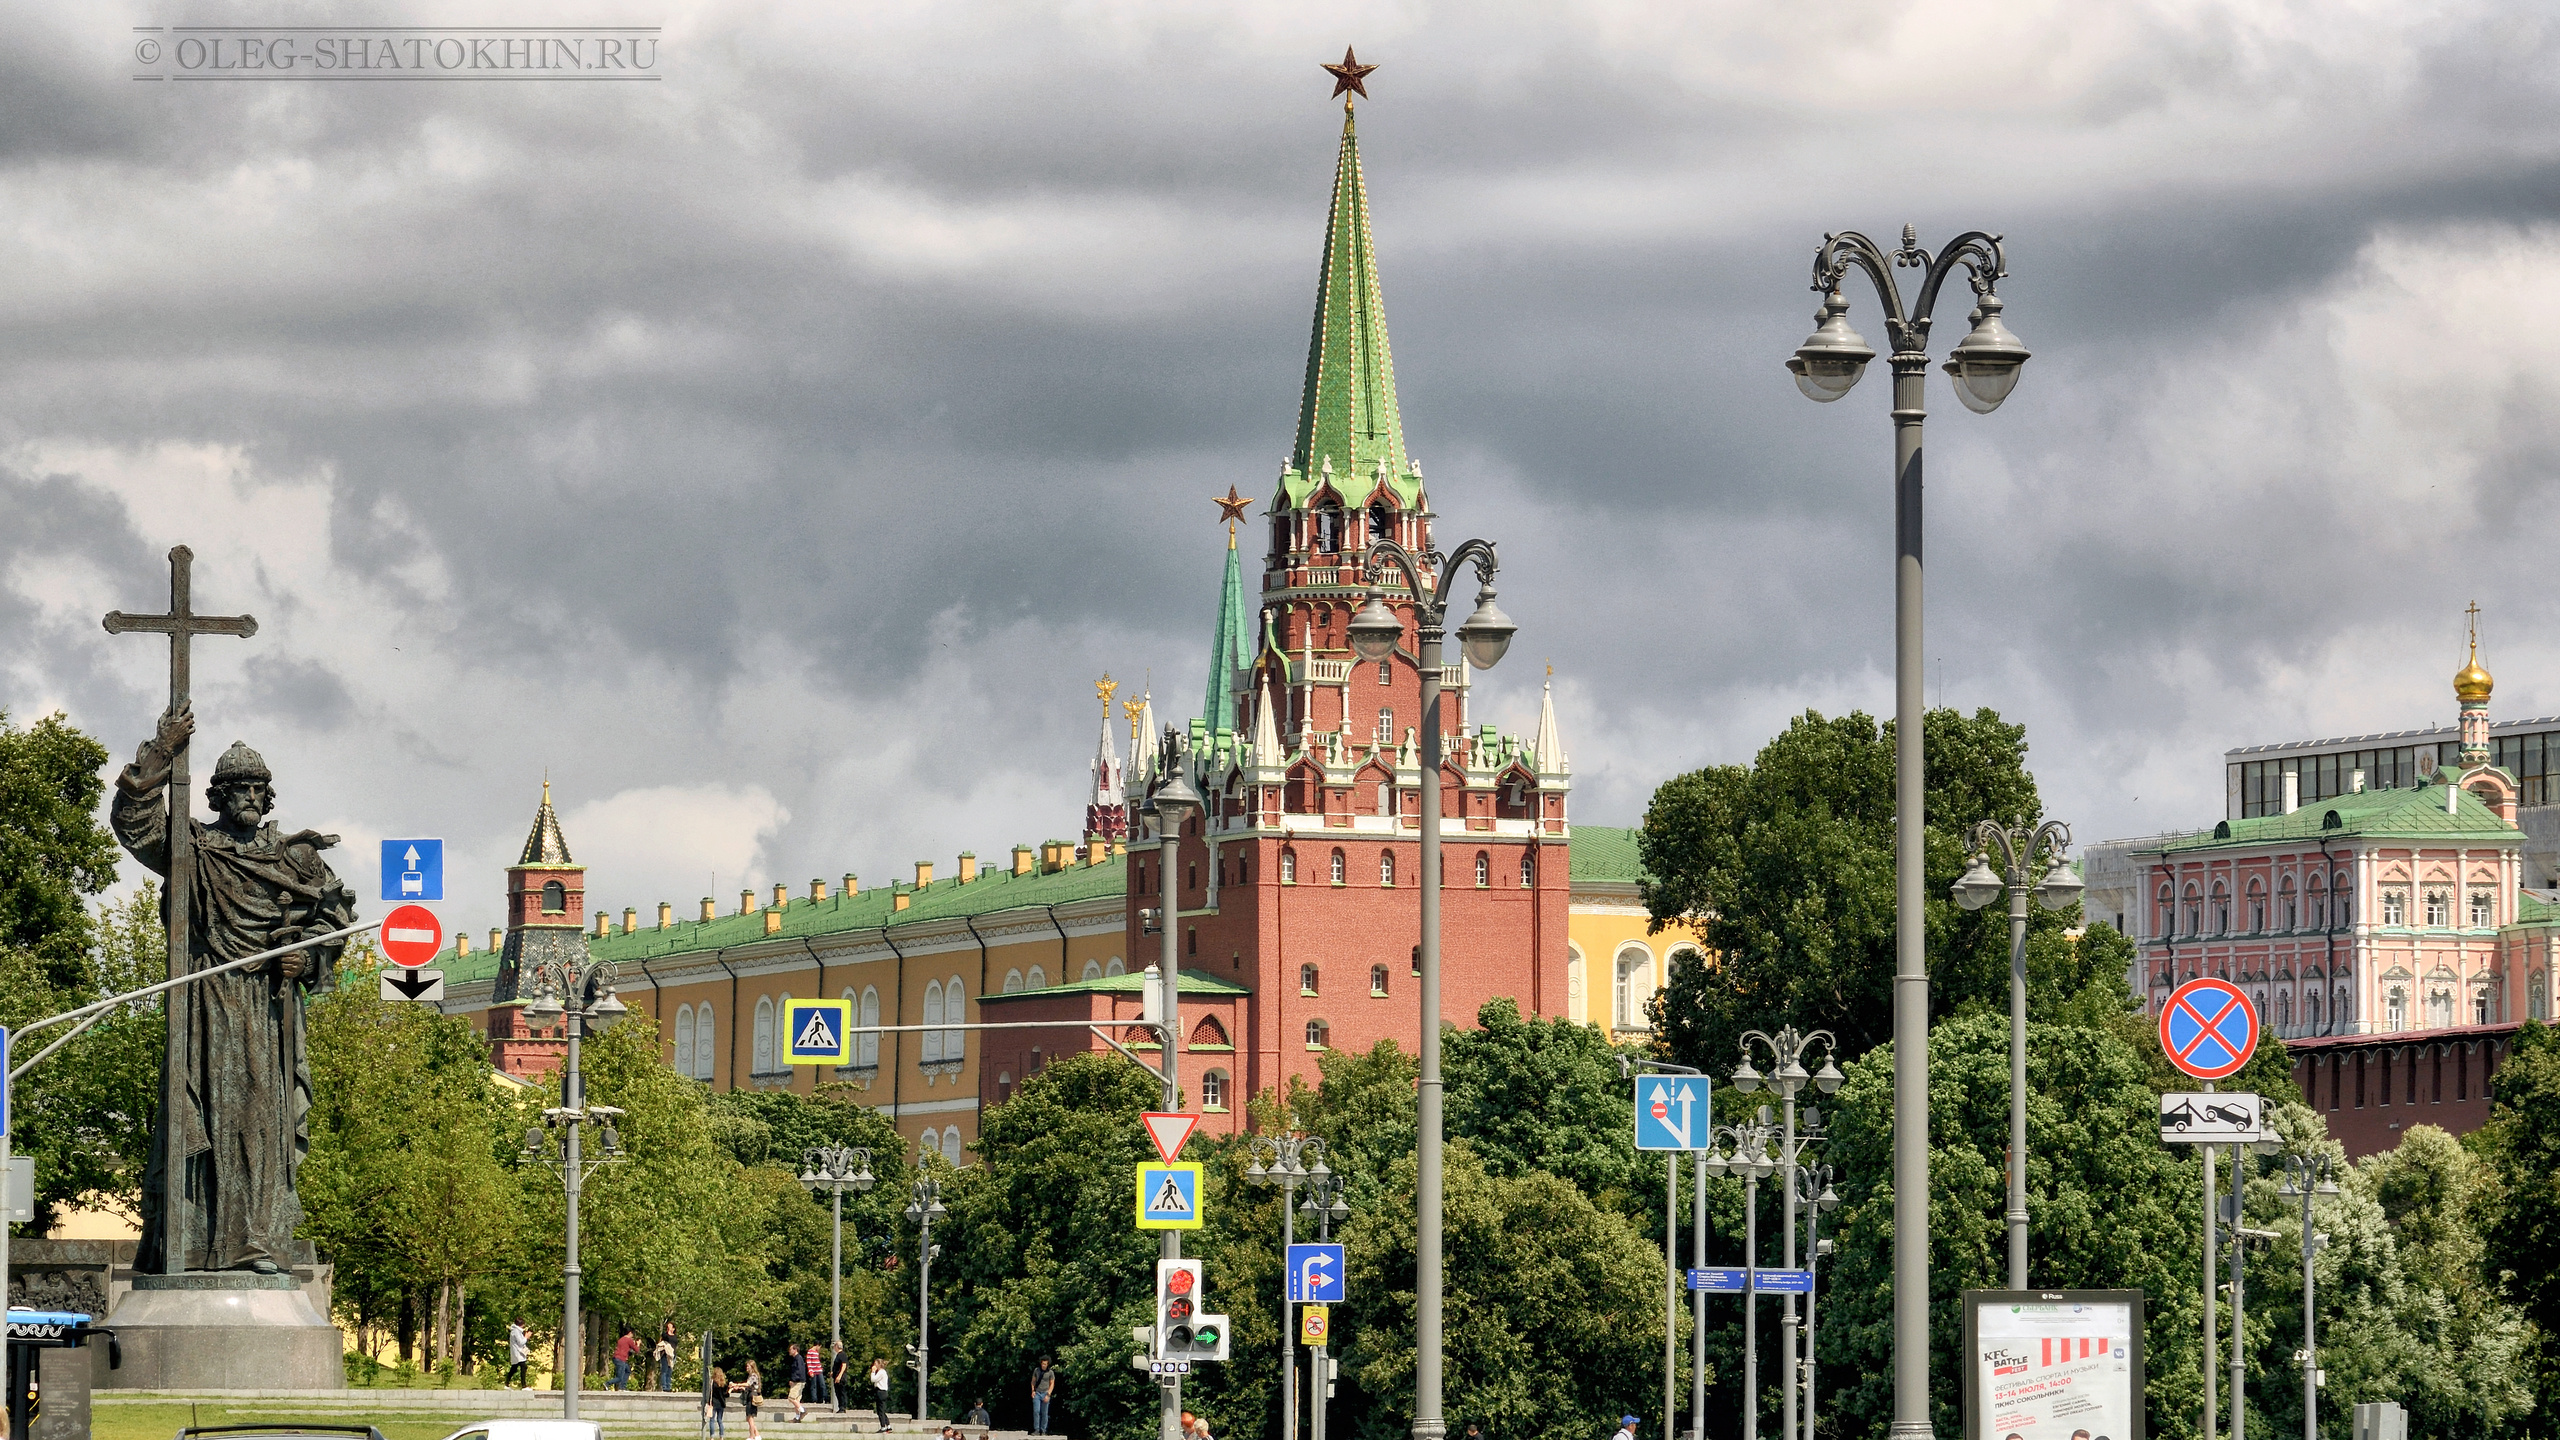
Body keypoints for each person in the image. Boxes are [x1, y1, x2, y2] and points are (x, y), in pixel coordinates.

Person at [1029, 1356, 1056, 1435]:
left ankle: (1043, 1430)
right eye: (1042, 1364)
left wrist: (1048, 1394)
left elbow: (1052, 1384)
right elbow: (1033, 1381)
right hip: (1037, 1392)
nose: (1043, 1365)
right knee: (1036, 1411)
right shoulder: (1036, 1370)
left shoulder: (1050, 1372)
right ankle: (1036, 1429)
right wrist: (1033, 1390)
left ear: (1048, 1364)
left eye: (1045, 1364)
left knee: (1044, 1413)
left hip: (1045, 1393)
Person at [740, 1360, 764, 1440]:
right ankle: (757, 1435)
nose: (746, 1368)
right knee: (749, 1418)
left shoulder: (753, 1375)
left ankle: (752, 1436)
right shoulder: (752, 1375)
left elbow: (748, 1384)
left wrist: (738, 1384)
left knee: (750, 1417)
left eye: (748, 1366)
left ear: (752, 1367)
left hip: (752, 1397)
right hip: (751, 1396)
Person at [505, 1318, 530, 1388]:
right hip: (518, 1353)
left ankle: (507, 1383)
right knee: (523, 1367)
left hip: (517, 1353)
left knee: (514, 1368)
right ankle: (524, 1386)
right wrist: (526, 1337)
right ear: (521, 1325)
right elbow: (521, 1342)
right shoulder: (516, 1332)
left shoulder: (516, 1331)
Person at [869, 1358, 892, 1433]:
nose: (874, 1365)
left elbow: (873, 1379)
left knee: (880, 1411)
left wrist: (873, 1372)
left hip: (880, 1392)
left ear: (879, 1364)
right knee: (881, 1410)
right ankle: (888, 1426)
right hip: (882, 1392)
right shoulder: (882, 1372)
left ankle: (883, 1427)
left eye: (875, 1364)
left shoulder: (881, 1372)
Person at [707, 1366, 729, 1438]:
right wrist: (730, 1390)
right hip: (721, 1404)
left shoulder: (713, 1383)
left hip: (713, 1403)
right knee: (720, 1420)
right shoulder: (723, 1384)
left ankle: (712, 1437)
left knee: (712, 1420)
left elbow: (710, 1393)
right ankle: (721, 1436)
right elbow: (726, 1395)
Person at [805, 1340, 828, 1409]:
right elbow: (809, 1362)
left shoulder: (816, 1353)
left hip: (819, 1370)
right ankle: (814, 1399)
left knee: (822, 1385)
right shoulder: (810, 1352)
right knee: (814, 1385)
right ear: (817, 1346)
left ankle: (823, 1398)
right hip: (813, 1371)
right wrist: (810, 1371)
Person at [614, 1325, 638, 1391]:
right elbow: (636, 1349)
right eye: (632, 1334)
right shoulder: (629, 1340)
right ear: (630, 1333)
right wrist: (638, 1344)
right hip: (621, 1358)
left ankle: (622, 1386)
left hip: (617, 1357)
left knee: (627, 1370)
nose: (632, 1336)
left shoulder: (621, 1339)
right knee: (620, 1376)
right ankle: (610, 1384)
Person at [786, 1345, 807, 1421]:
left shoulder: (798, 1359)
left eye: (790, 1349)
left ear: (795, 1350)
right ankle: (797, 1417)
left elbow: (799, 1371)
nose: (789, 1351)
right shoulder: (796, 1359)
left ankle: (803, 1411)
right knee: (796, 1401)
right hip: (798, 1381)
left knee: (791, 1397)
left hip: (798, 1382)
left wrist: (793, 1380)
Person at [656, 1324, 678, 1391]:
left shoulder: (675, 1336)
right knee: (664, 1370)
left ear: (673, 1328)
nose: (668, 1327)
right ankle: (664, 1386)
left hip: (672, 1354)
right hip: (665, 1354)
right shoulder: (665, 1335)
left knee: (669, 1371)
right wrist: (668, 1331)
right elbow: (664, 1339)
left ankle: (668, 1386)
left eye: (670, 1326)